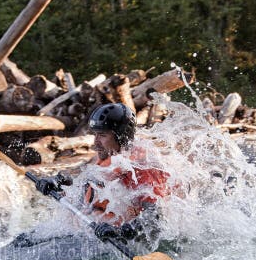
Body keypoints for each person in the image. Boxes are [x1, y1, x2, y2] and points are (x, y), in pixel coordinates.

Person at [34, 102, 171, 243]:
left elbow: (155, 217)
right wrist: (57, 182)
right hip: (93, 230)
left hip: (123, 238)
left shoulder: (141, 166)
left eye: (102, 135)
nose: (95, 142)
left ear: (121, 136)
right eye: (95, 135)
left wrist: (124, 231)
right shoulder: (108, 155)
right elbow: (82, 178)